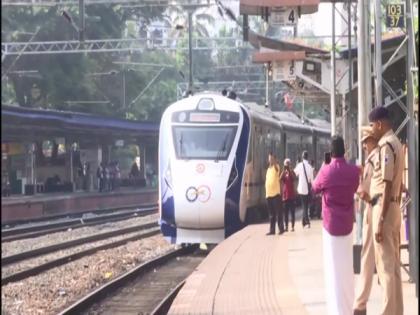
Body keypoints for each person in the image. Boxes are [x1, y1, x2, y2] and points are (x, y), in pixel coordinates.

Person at [312, 135, 359, 315]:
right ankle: (347, 308)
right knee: (347, 269)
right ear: (344, 150)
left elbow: (314, 188)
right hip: (347, 227)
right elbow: (355, 186)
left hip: (330, 228)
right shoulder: (353, 171)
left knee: (333, 270)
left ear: (331, 152)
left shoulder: (326, 171)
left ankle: (335, 310)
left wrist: (324, 166)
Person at [368, 106, 404, 315]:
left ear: (380, 124)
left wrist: (380, 220)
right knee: (394, 267)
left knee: (386, 267)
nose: (372, 130)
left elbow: (387, 183)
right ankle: (396, 311)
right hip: (393, 207)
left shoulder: (385, 146)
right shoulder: (395, 142)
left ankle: (388, 312)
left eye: (373, 125)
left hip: (385, 209)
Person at [353, 126, 379, 315]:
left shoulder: (374, 158)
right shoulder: (376, 157)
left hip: (374, 210)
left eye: (365, 141)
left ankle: (360, 305)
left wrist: (362, 193)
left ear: (372, 140)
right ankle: (360, 304)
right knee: (377, 261)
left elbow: (364, 191)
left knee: (368, 260)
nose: (363, 145)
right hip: (376, 209)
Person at [265, 152, 284, 235]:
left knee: (278, 213)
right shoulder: (268, 169)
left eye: (272, 159)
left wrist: (275, 162)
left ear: (275, 159)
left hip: (276, 194)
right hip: (268, 194)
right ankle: (272, 230)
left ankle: (281, 229)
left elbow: (277, 168)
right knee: (271, 214)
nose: (270, 160)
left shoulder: (276, 167)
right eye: (269, 159)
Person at [294, 151, 314, 228]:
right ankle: (304, 222)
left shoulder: (299, 165)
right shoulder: (310, 167)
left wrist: (296, 164)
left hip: (301, 189)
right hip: (307, 189)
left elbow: (295, 173)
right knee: (305, 205)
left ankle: (307, 222)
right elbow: (312, 180)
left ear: (302, 157)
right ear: (307, 157)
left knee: (304, 206)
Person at [280, 158, 296, 232]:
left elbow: (293, 178)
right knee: (285, 212)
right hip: (285, 195)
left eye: (288, 164)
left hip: (292, 196)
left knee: (292, 212)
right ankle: (286, 226)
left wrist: (289, 170)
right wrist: (284, 171)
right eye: (286, 164)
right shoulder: (283, 172)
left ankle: (292, 226)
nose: (287, 165)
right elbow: (280, 179)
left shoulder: (292, 171)